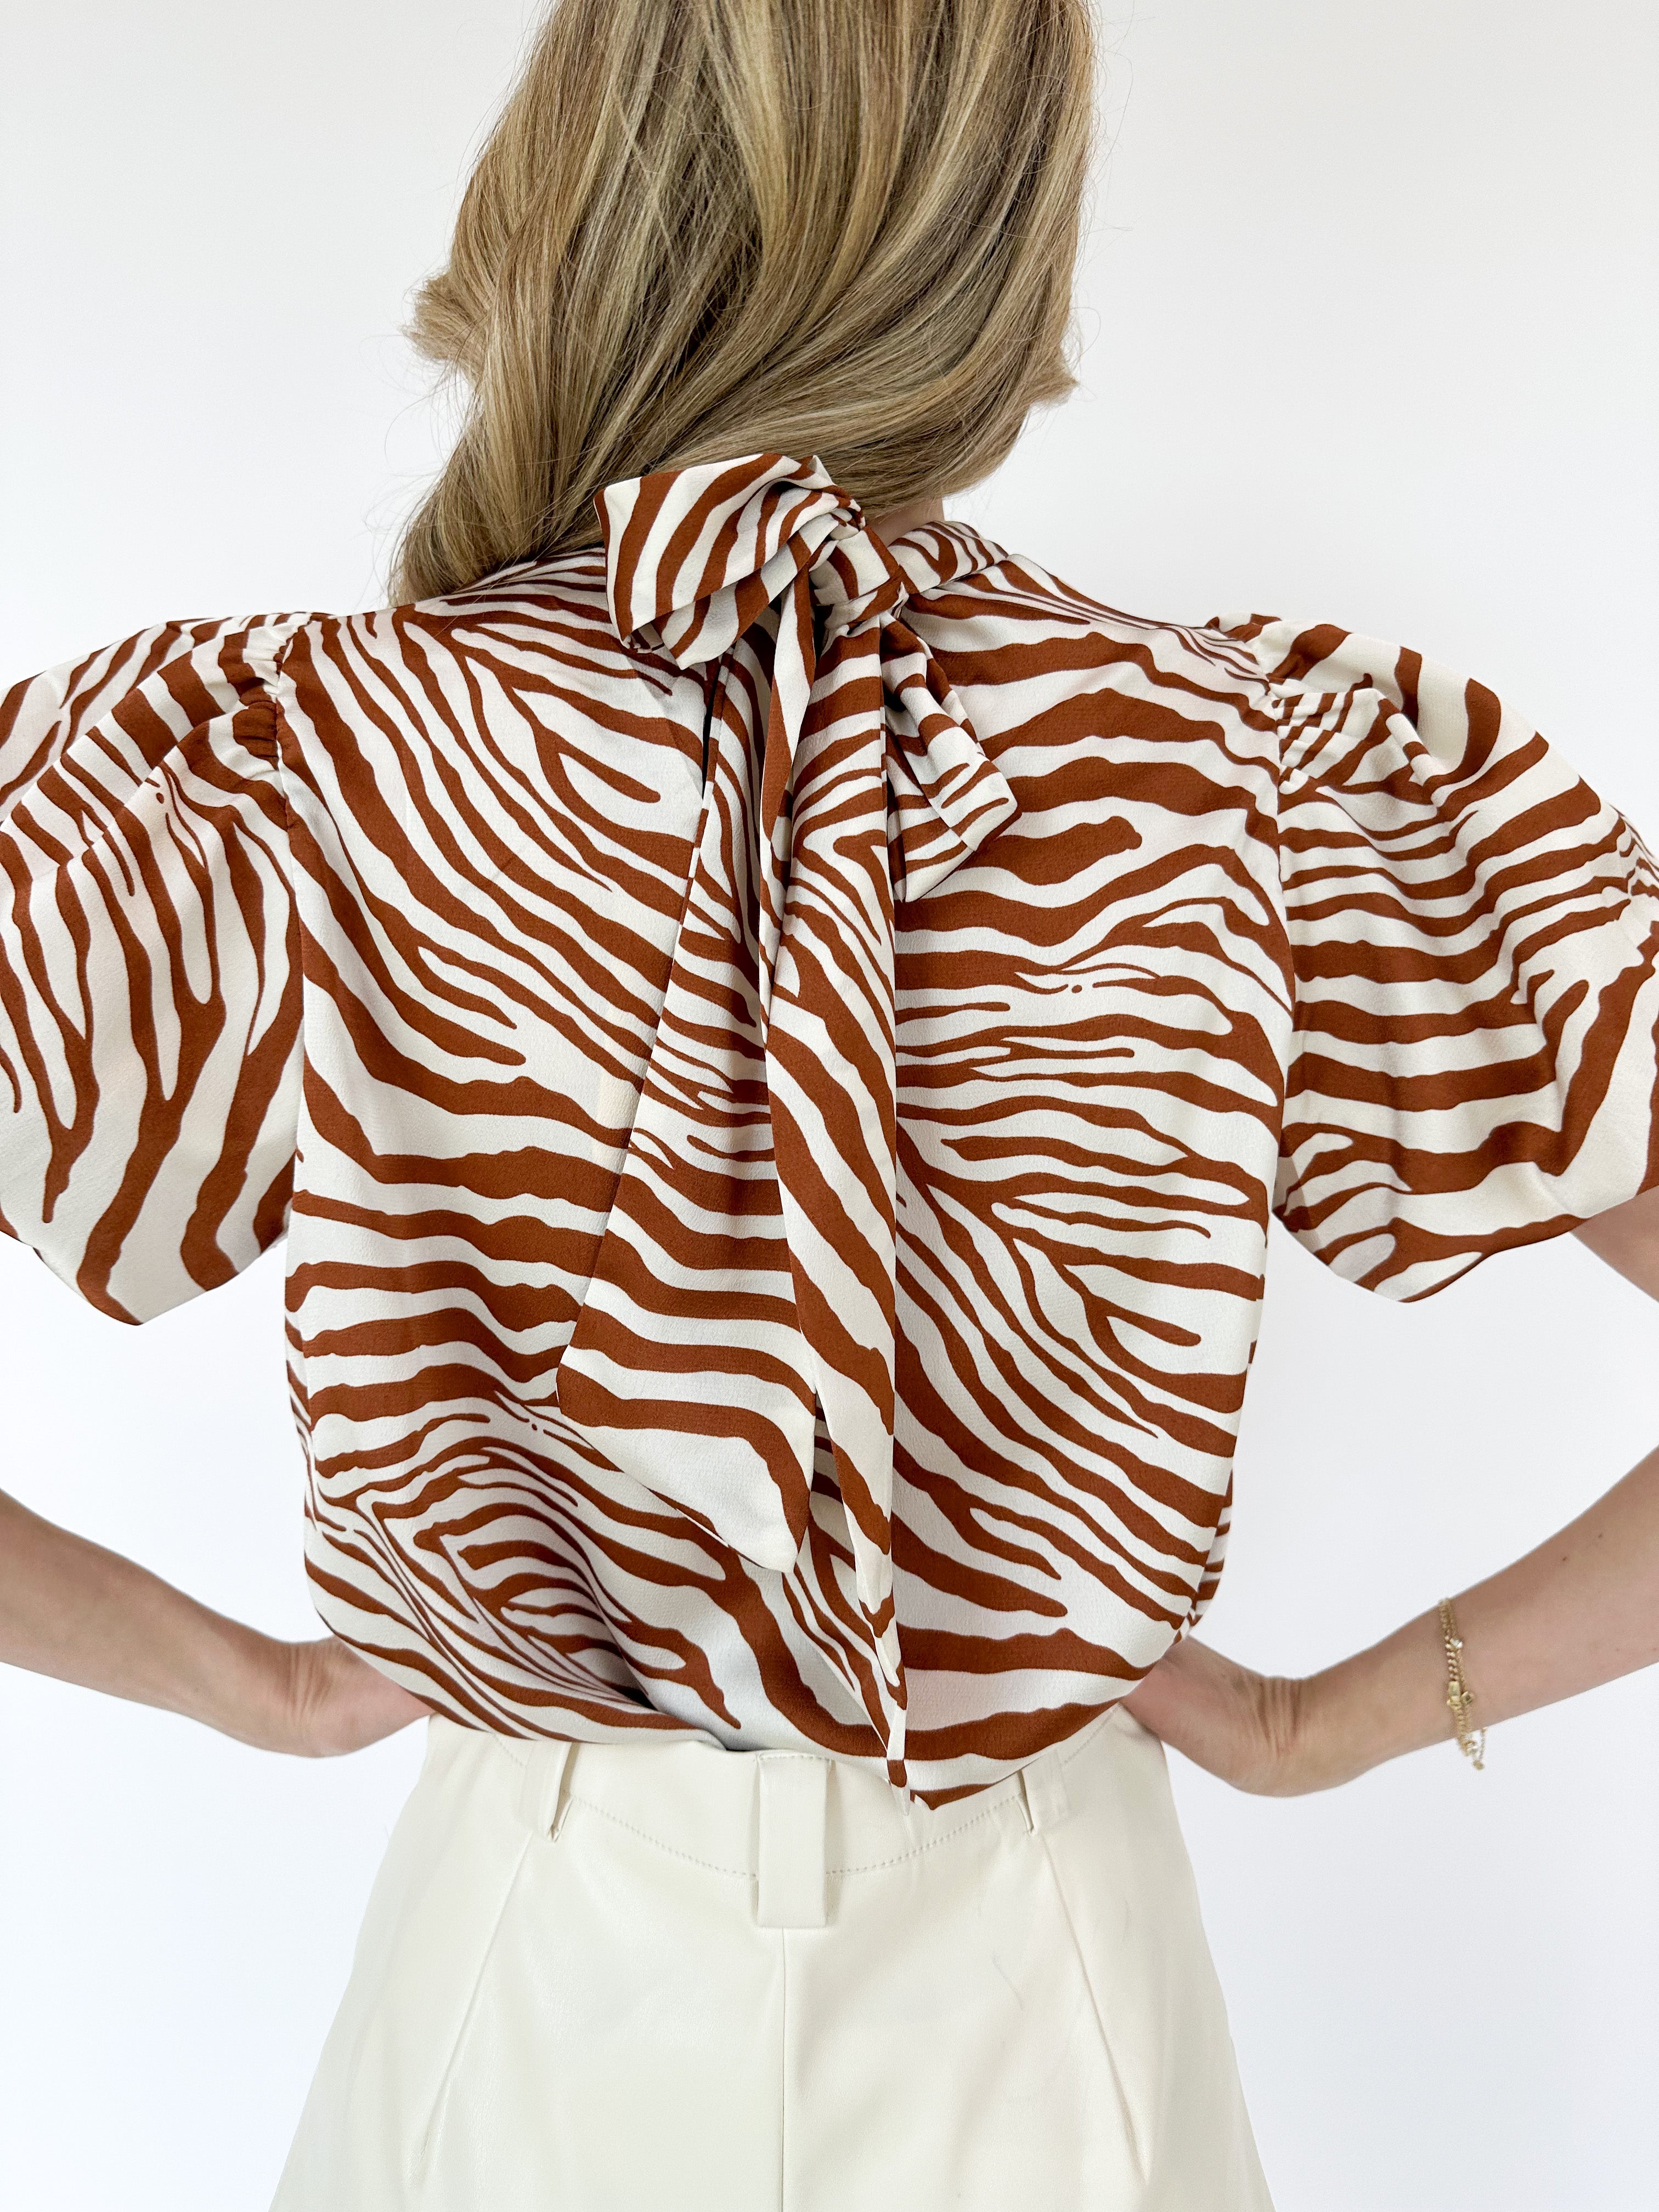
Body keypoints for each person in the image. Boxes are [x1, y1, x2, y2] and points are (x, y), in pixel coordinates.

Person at [3, 3, 1658, 2205]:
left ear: (582, 178)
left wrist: (254, 1688)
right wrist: (1325, 1723)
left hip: (529, 1942)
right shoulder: (1235, 776)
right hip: (1051, 1972)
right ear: (1001, 226)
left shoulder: (308, 761)